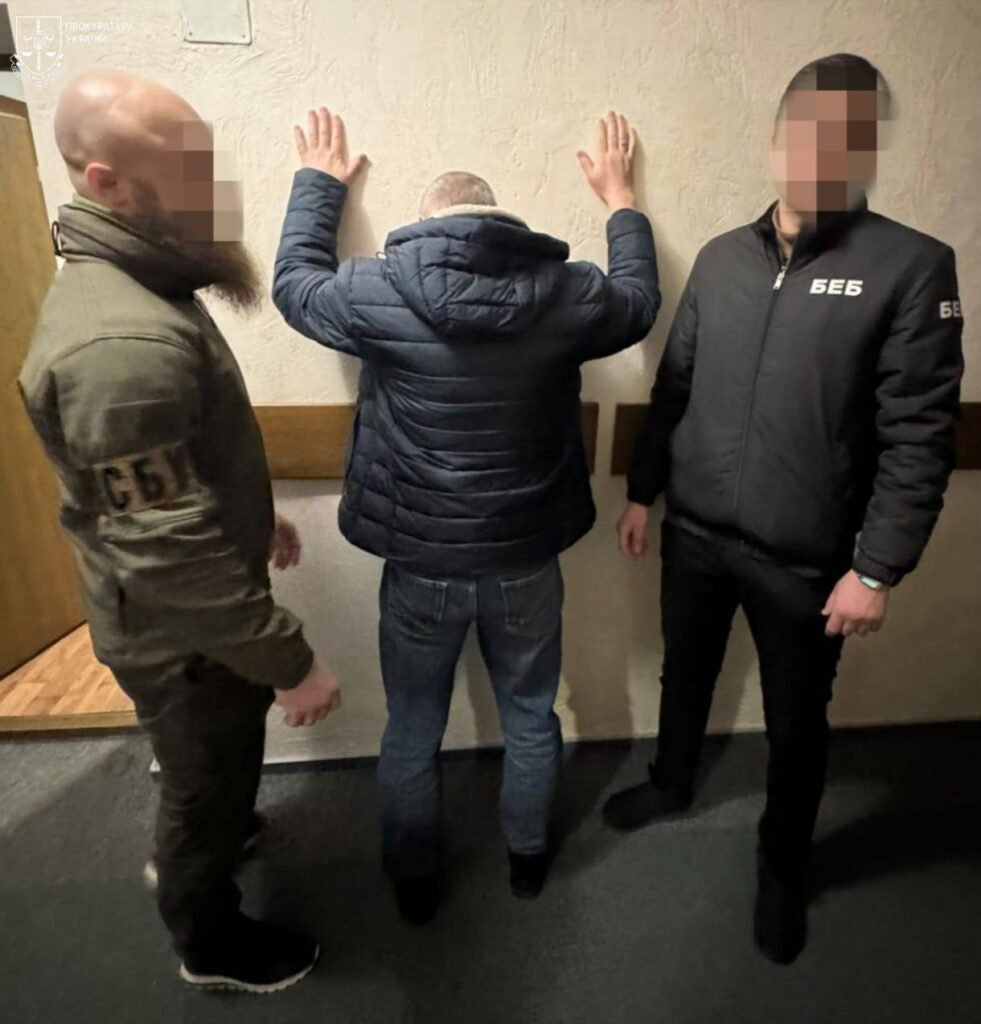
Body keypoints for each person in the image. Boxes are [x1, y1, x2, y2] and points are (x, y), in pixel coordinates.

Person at [604, 53, 964, 965]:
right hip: (694, 533)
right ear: (775, 141)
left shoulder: (911, 267)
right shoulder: (722, 258)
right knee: (684, 675)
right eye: (804, 133)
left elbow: (919, 437)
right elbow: (674, 386)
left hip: (806, 561)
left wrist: (876, 568)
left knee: (797, 726)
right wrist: (643, 491)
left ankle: (780, 865)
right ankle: (671, 780)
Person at [273, 107, 660, 923]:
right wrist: (622, 199)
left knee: (412, 726)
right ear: (501, 219)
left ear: (423, 223)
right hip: (525, 560)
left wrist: (317, 187)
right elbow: (637, 302)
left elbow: (293, 285)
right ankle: (527, 861)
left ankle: (414, 882)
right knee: (531, 714)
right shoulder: (566, 292)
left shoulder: (374, 288)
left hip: (420, 564)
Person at [19, 70, 342, 994]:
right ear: (107, 182)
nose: (215, 187)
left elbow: (171, 477)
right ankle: (209, 940)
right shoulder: (120, 344)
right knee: (202, 784)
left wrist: (253, 516)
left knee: (217, 764)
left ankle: (218, 831)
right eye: (190, 168)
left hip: (184, 619)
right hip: (181, 640)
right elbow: (169, 554)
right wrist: (292, 662)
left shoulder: (142, 282)